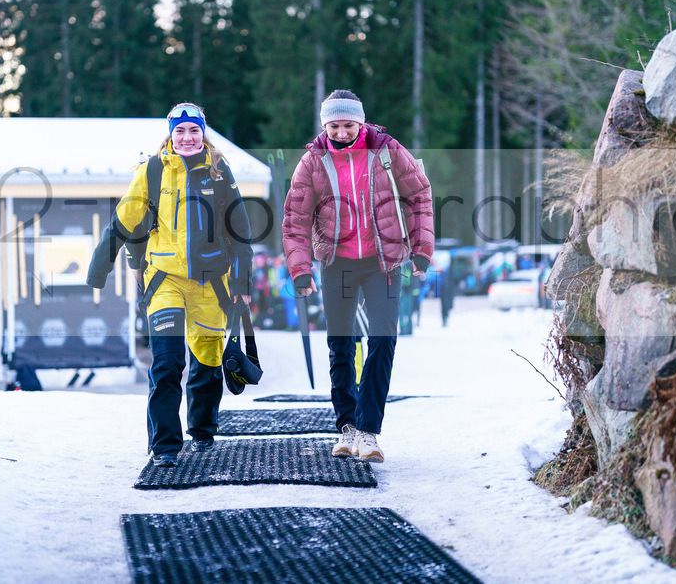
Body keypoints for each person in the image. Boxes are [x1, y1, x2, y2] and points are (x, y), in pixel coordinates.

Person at [87, 102, 253, 468]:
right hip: (165, 281)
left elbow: (239, 230)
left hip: (212, 285)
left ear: (203, 133)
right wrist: (100, 267)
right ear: (171, 134)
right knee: (166, 362)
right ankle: (164, 446)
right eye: (180, 130)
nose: (188, 137)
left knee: (207, 364)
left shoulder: (219, 170)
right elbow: (124, 220)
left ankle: (203, 431)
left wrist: (242, 281)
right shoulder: (152, 170)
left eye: (194, 130)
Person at [283, 89, 433, 463]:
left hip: (383, 261)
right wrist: (301, 269)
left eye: (349, 125)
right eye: (334, 125)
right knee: (342, 344)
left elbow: (419, 195)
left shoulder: (386, 151)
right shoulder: (313, 162)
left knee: (383, 339)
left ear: (361, 122)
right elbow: (295, 219)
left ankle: (368, 431)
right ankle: (347, 426)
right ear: (324, 125)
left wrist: (422, 249)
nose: (342, 132)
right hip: (338, 263)